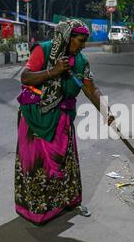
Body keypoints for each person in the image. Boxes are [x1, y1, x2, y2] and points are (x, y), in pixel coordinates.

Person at [15, 19, 110, 226]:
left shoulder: (81, 61)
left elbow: (91, 88)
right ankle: (39, 211)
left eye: (85, 41)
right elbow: (26, 77)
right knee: (38, 166)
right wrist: (54, 71)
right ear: (67, 37)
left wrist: (106, 111)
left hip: (62, 119)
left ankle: (66, 203)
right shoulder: (44, 50)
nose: (83, 45)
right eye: (80, 40)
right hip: (36, 118)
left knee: (63, 164)